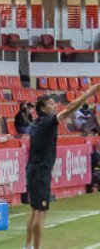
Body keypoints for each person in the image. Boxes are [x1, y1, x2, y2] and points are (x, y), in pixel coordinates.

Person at [25, 84, 100, 249]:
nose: (54, 106)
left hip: (35, 171)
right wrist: (90, 92)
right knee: (41, 211)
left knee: (34, 209)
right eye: (51, 104)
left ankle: (28, 246)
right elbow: (71, 108)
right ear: (43, 108)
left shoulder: (37, 123)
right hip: (40, 172)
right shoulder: (47, 122)